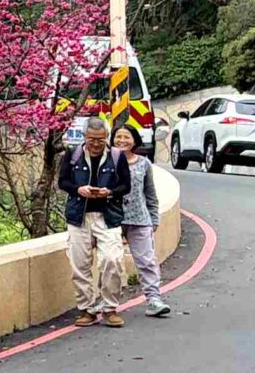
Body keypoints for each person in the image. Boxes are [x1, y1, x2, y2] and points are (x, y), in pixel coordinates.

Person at [58, 116, 132, 326]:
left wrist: (109, 192)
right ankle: (87, 309)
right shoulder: (73, 155)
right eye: (92, 139)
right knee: (79, 265)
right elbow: (62, 182)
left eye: (101, 139)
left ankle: (110, 307)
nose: (97, 143)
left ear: (107, 137)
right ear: (84, 137)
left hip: (107, 216)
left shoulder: (117, 157)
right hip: (78, 216)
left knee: (112, 259)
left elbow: (126, 186)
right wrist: (78, 189)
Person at [111, 123, 171, 318]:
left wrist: (154, 219)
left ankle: (154, 299)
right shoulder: (106, 162)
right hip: (113, 219)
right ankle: (108, 302)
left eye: (126, 137)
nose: (122, 140)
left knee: (147, 261)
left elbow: (150, 193)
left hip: (140, 220)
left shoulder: (143, 163)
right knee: (110, 262)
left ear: (134, 140)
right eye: (118, 137)